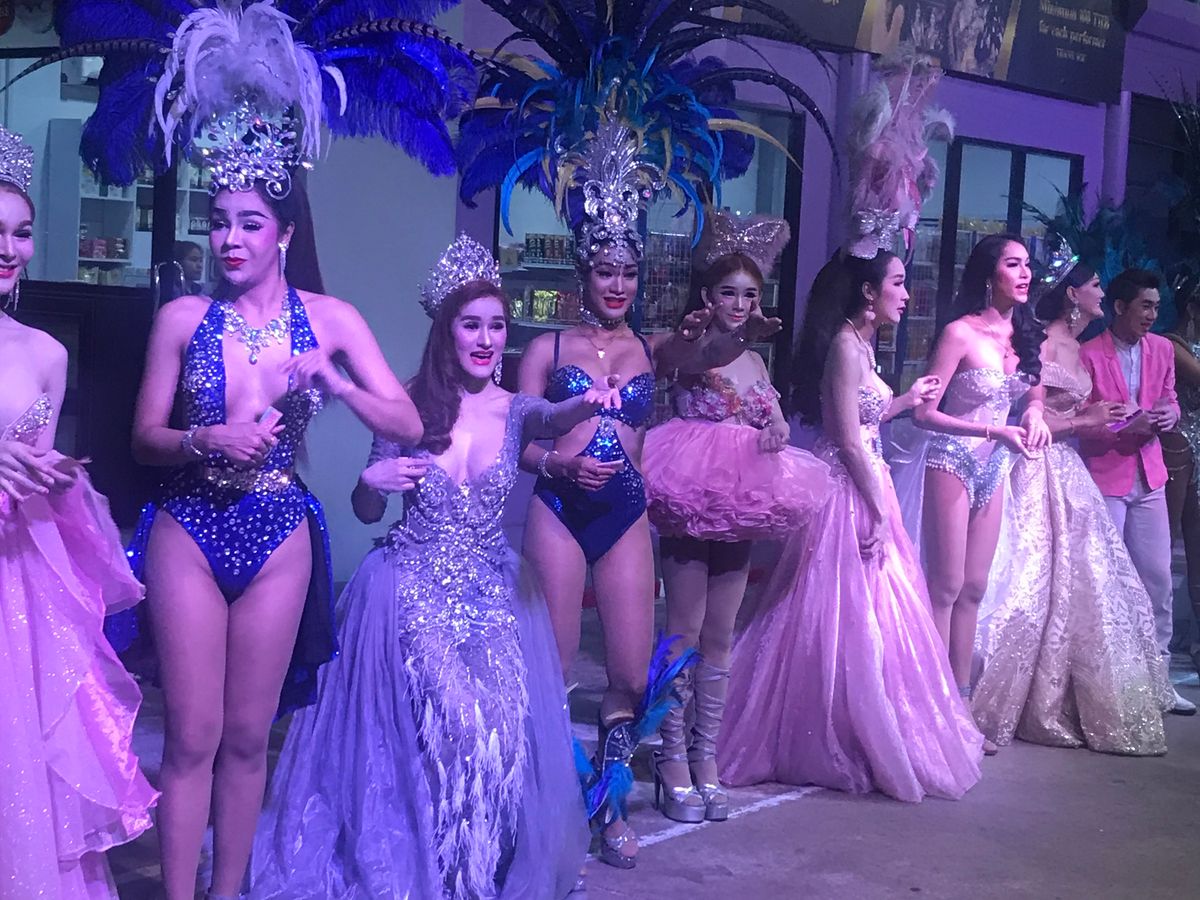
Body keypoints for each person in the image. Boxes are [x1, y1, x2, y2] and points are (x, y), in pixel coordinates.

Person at [37, 4, 482, 895]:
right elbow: (144, 439)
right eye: (218, 221)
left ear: (284, 233)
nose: (229, 239)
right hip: (189, 528)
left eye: (247, 223)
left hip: (279, 531)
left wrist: (339, 382)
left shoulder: (331, 319)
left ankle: (228, 890)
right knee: (192, 736)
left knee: (248, 737)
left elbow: (408, 425)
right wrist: (206, 435)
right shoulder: (182, 318)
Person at [251, 236, 596, 899]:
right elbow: (366, 509)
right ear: (447, 331)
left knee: (500, 731)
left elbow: (556, 415)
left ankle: (477, 868)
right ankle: (432, 868)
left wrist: (591, 402)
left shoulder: (517, 410)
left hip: (493, 591)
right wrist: (371, 481)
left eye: (497, 325)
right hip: (411, 587)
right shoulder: (407, 405)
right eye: (472, 325)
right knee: (456, 722)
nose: (487, 339)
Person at [517, 139, 780, 863]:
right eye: (606, 270)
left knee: (632, 675)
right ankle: (551, 804)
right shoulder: (547, 350)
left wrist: (725, 329)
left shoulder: (653, 348)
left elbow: (705, 358)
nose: (618, 284)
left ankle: (609, 804)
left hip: (625, 512)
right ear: (583, 270)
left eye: (629, 272)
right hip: (558, 508)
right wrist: (559, 465)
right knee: (556, 668)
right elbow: (514, 442)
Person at [719, 250, 983, 801]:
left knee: (877, 611)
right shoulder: (844, 344)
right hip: (848, 489)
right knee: (836, 608)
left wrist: (904, 401)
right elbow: (845, 437)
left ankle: (872, 722)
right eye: (898, 283)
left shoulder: (862, 344)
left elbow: (864, 416)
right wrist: (879, 509)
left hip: (869, 480)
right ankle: (832, 727)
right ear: (869, 292)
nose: (906, 295)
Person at [0, 124, 158, 898]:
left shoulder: (45, 354)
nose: (10, 248)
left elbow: (34, 484)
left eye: (22, 231)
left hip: (16, 590)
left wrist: (56, 481)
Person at [640, 211, 831, 823]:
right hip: (688, 487)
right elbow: (686, 362)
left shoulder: (755, 360)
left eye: (750, 295)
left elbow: (768, 414)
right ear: (707, 296)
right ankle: (671, 756)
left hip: (742, 496)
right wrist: (712, 339)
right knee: (683, 629)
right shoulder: (694, 344)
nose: (741, 305)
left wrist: (776, 428)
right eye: (729, 293)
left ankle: (706, 756)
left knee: (720, 634)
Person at [972, 253, 1176, 753]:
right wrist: (1086, 421)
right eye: (1095, 286)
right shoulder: (1042, 342)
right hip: (1037, 464)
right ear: (1072, 293)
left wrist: (1112, 418)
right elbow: (1026, 414)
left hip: (1071, 468)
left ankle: (1074, 685)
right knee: (1032, 580)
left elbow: (1081, 411)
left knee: (1091, 584)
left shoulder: (1079, 348)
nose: (1101, 294)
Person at [912, 234, 1051, 748]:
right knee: (945, 587)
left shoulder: (1024, 333)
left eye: (1028, 265)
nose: (1025, 274)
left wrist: (1034, 413)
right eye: (1013, 264)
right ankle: (932, 710)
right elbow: (924, 412)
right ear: (989, 274)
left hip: (995, 467)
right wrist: (993, 430)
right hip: (952, 458)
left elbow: (1034, 390)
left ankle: (962, 709)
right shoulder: (959, 333)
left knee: (974, 588)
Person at [1078, 268, 1197, 715]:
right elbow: (1082, 420)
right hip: (1106, 473)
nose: (1152, 314)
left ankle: (1159, 680)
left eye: (1156, 306)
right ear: (1119, 307)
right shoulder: (1089, 353)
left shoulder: (1162, 349)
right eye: (1145, 306)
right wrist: (1124, 424)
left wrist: (1168, 414)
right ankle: (1108, 682)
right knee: (1108, 580)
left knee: (1157, 579)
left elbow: (1170, 397)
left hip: (1150, 477)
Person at [1161, 279, 1200, 676]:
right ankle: (1157, 643)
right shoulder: (1173, 344)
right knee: (1166, 542)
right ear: (1191, 307)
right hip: (1178, 447)